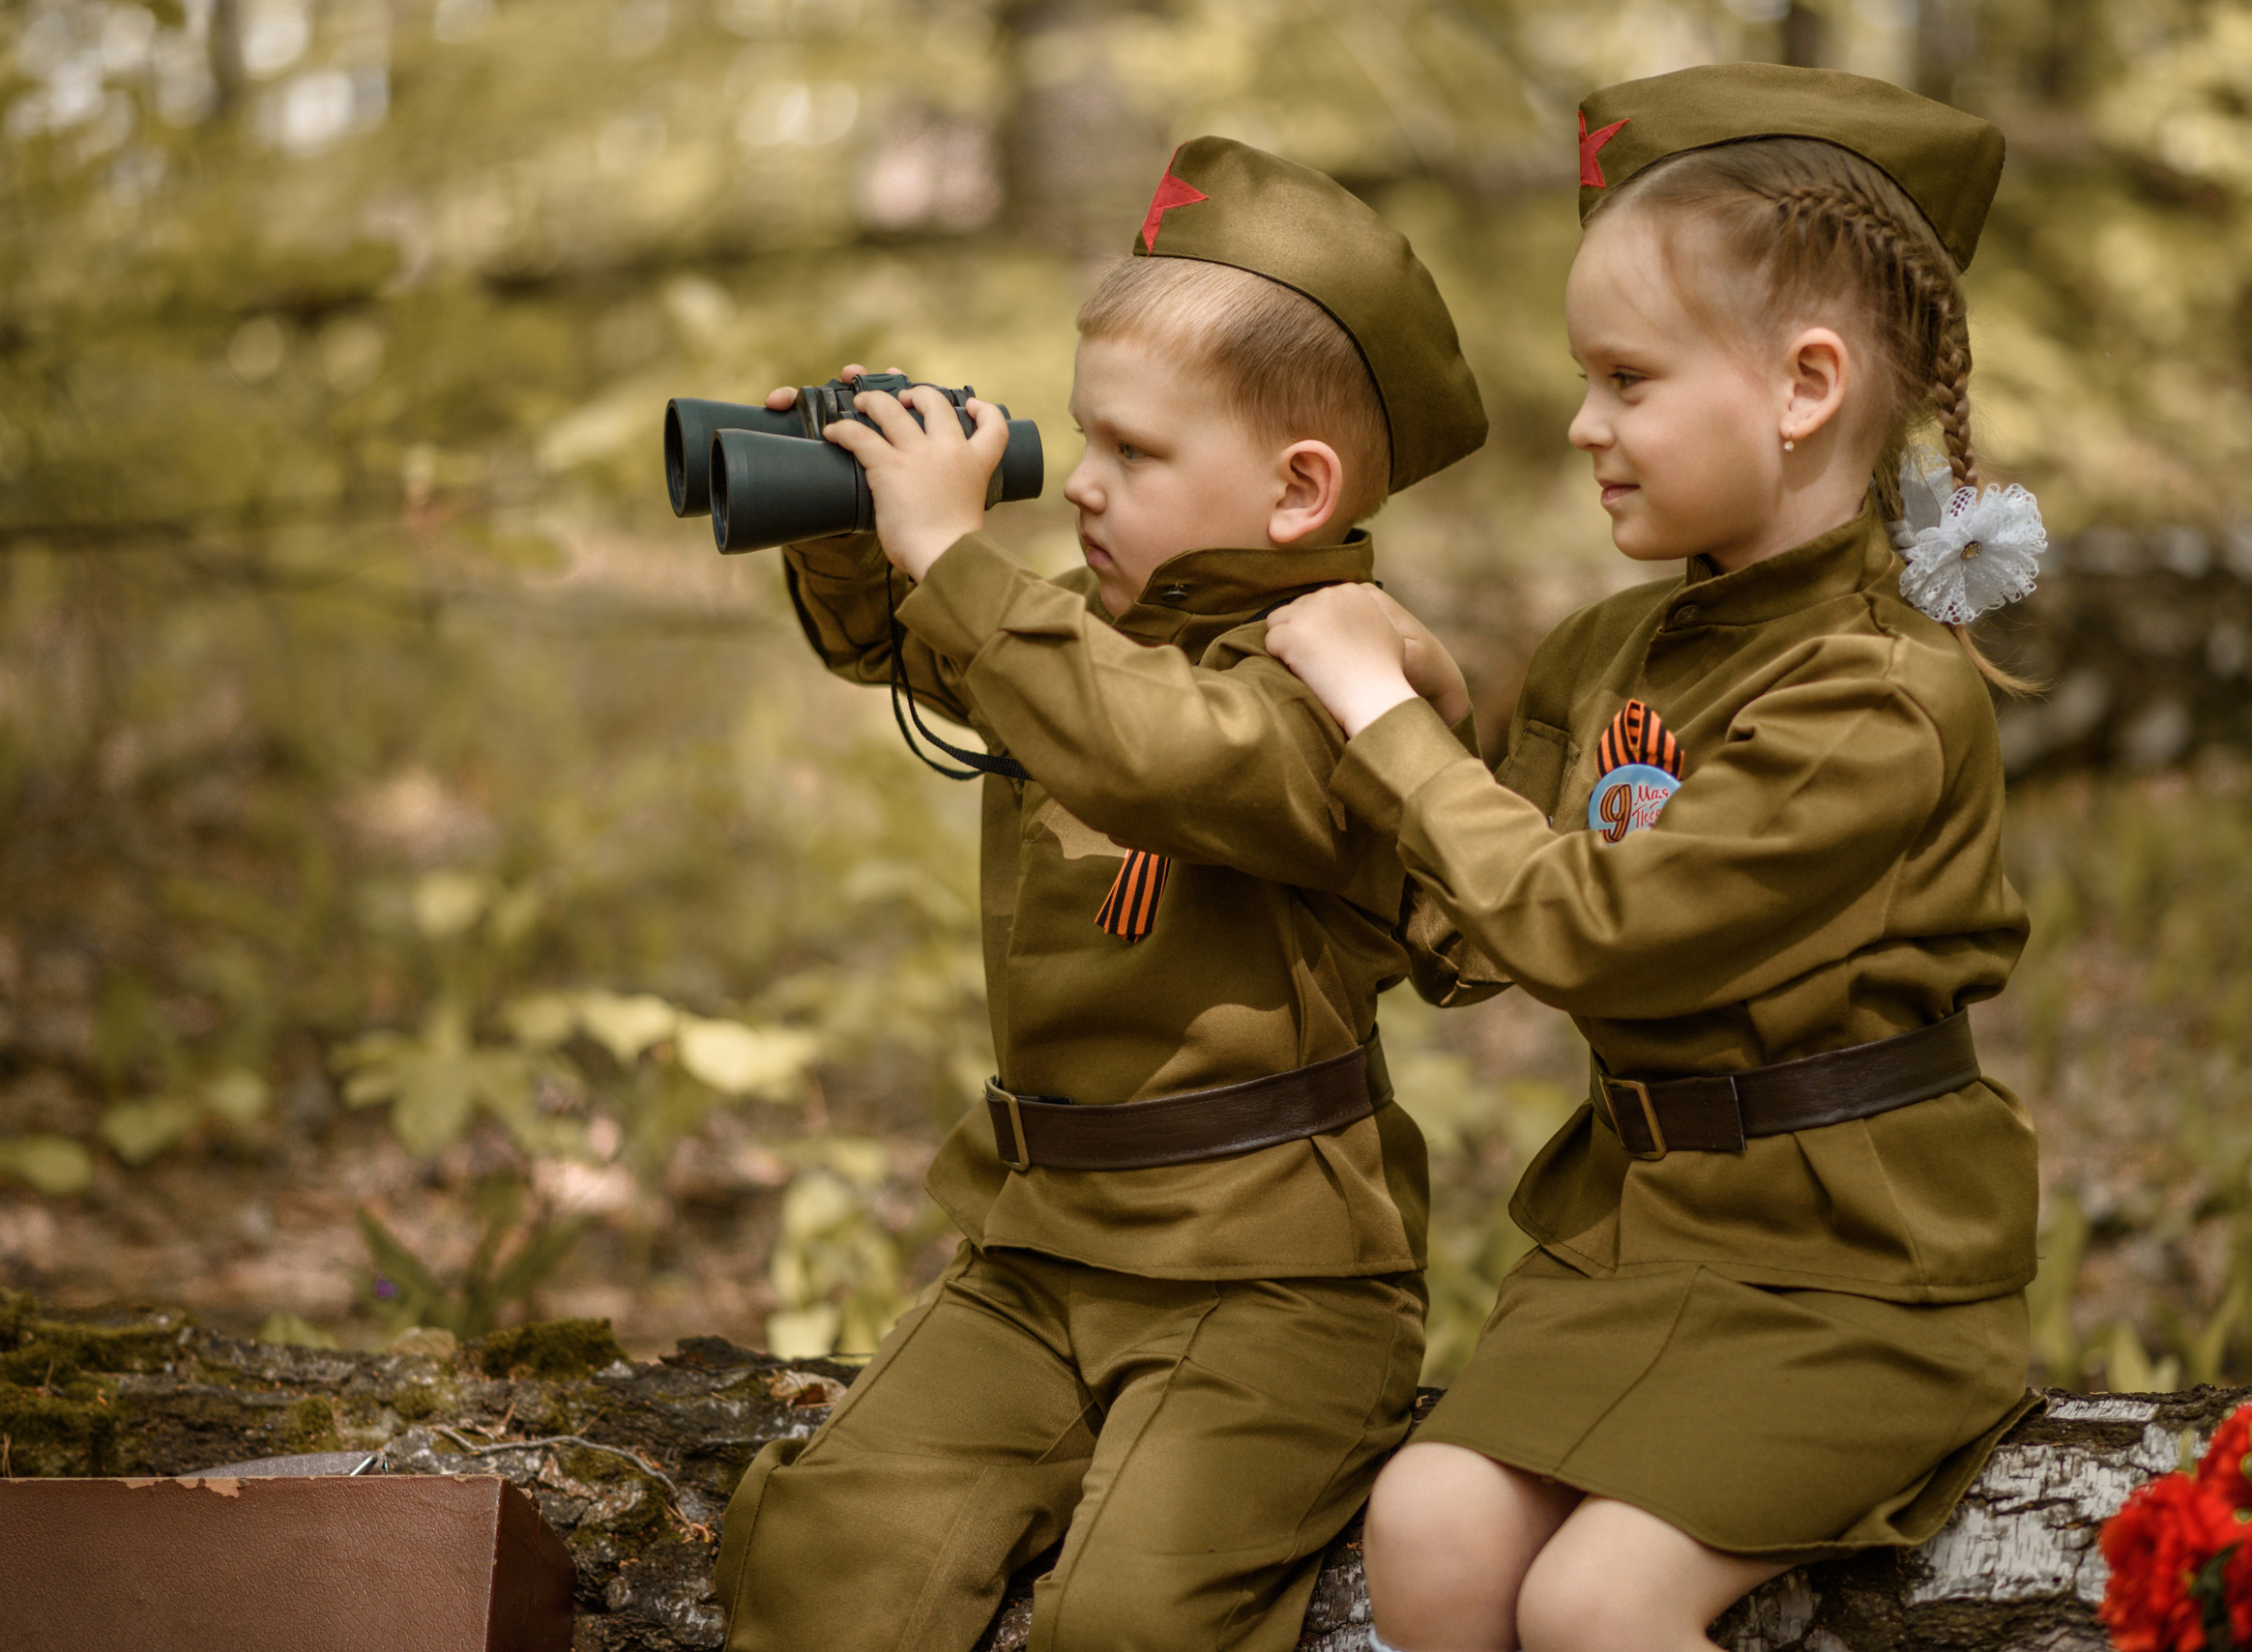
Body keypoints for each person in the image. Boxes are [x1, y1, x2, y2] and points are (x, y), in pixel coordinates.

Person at [1264, 63, 2050, 1652]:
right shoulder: (1608, 645)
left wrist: (1377, 726)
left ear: (1803, 384)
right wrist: (1341, 741)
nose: (1581, 422)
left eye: (1627, 377)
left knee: (1597, 1602)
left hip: (1853, 1270)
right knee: (1426, 1532)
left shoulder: (1885, 695)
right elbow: (1471, 935)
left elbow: (1594, 931)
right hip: (1645, 1234)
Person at [710, 136, 1489, 1652]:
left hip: (1271, 1280)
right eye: (1083, 439)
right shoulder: (1071, 635)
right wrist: (853, 521)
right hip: (1043, 1242)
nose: (1080, 487)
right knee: (825, 1554)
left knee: (1125, 1619)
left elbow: (1156, 745)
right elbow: (924, 652)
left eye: (1132, 453)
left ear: (1296, 489)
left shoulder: (1353, 673)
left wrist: (952, 550)